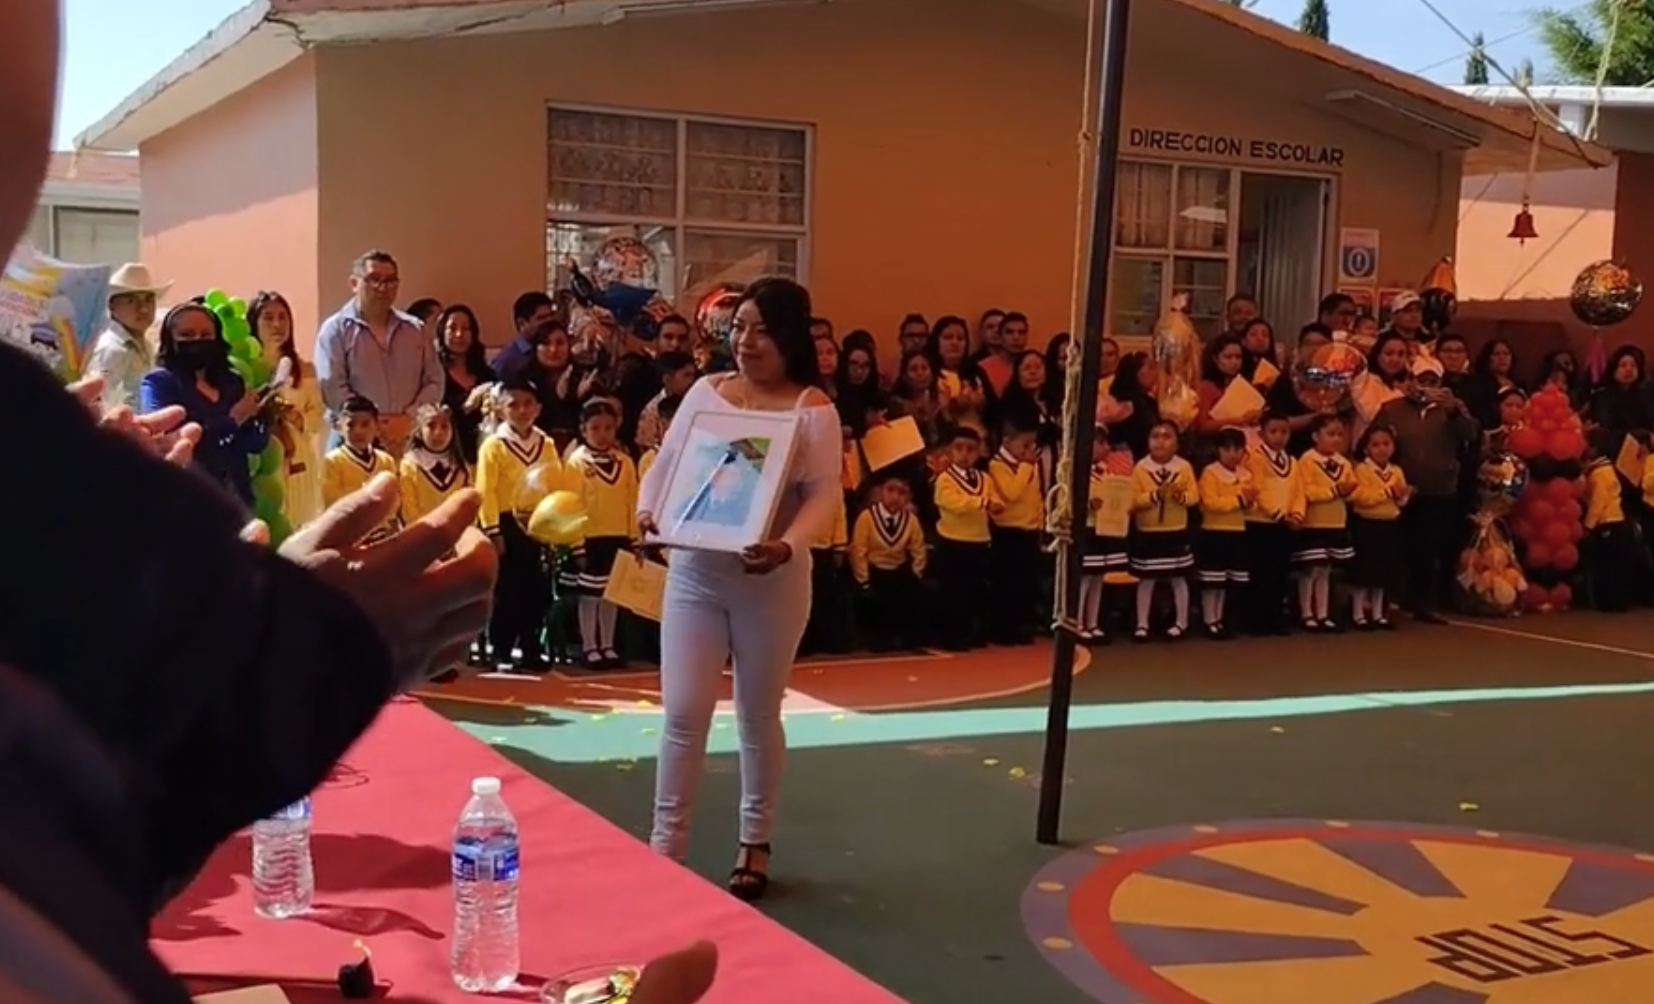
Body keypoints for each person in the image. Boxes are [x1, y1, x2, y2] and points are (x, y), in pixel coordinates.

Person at [636, 277, 841, 900]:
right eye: (739, 327)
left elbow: (824, 493)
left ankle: (755, 839)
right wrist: (649, 515)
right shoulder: (706, 392)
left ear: (790, 338)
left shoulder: (814, 409)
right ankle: (663, 848)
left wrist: (785, 545)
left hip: (771, 583)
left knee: (757, 714)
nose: (746, 342)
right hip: (697, 574)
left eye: (761, 330)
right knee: (683, 712)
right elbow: (666, 468)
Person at [138, 301, 271, 508]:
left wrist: (264, 415)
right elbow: (170, 441)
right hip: (190, 502)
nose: (197, 341)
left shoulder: (231, 381)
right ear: (170, 340)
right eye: (187, 335)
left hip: (237, 501)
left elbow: (252, 443)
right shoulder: (160, 383)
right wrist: (232, 419)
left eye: (205, 335)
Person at [314, 249, 442, 456]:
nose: (383, 287)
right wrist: (372, 424)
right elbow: (332, 387)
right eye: (374, 279)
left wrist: (409, 419)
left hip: (409, 442)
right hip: (354, 446)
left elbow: (435, 380)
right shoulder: (335, 331)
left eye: (390, 280)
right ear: (354, 284)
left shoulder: (415, 330)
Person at [565, 399, 640, 668]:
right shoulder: (576, 463)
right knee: (590, 596)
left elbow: (633, 501)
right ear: (583, 430)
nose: (602, 434)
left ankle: (608, 645)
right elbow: (572, 504)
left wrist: (635, 538)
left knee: (612, 594)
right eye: (595, 428)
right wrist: (576, 544)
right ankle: (589, 645)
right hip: (591, 538)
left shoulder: (625, 462)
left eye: (608, 428)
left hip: (618, 537)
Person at [1128, 421, 1197, 641]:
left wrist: (1178, 496)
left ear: (1177, 444)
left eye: (1166, 436)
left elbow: (1194, 497)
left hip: (1175, 530)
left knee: (1178, 577)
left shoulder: (1184, 467)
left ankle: (1181, 622)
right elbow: (1133, 500)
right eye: (1155, 436)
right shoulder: (1141, 468)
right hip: (1148, 531)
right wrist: (1154, 496)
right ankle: (1142, 624)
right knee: (1146, 578)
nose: (1160, 441)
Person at [83, 262, 171, 413]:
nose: (143, 308)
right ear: (112, 307)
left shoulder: (148, 347)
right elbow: (96, 403)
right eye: (131, 301)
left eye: (148, 300)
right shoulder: (110, 348)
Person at [322, 396, 401, 545]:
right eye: (351, 425)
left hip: (381, 536)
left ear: (376, 426)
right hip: (348, 539)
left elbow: (395, 501)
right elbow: (333, 502)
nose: (358, 431)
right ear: (339, 427)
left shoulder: (386, 460)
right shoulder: (332, 461)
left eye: (365, 424)